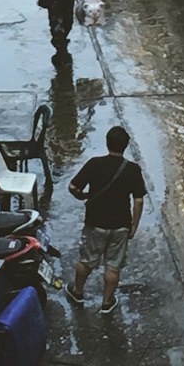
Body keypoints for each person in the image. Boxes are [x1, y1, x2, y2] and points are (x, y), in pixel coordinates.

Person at [66, 126, 146, 315]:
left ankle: (78, 292)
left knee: (86, 261)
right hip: (120, 225)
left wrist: (82, 195)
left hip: (95, 223)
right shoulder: (133, 170)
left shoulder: (94, 164)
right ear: (126, 146)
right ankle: (107, 302)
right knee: (113, 265)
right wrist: (134, 225)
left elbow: (72, 186)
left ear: (107, 142)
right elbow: (139, 200)